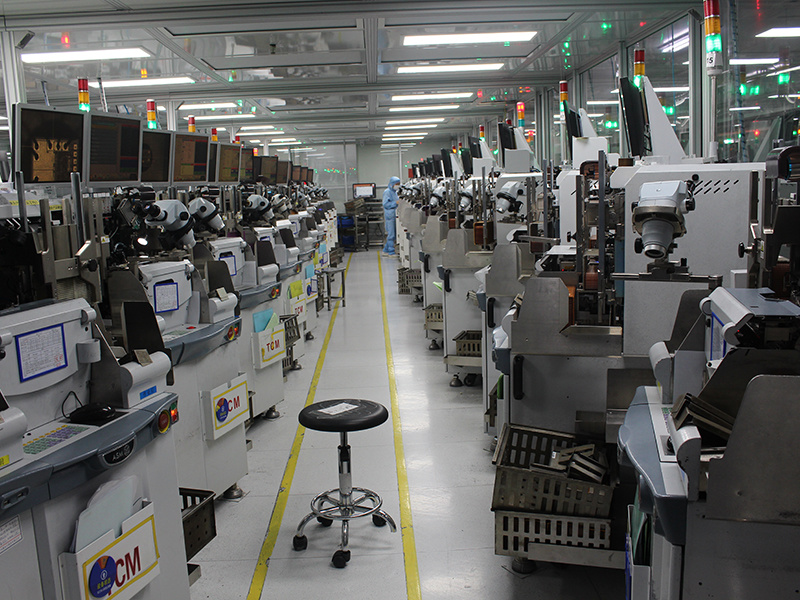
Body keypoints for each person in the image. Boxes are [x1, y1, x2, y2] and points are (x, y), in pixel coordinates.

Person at [382, 176, 401, 256]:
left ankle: (386, 250)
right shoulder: (387, 192)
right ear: (392, 184)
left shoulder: (394, 192)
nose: (398, 185)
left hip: (394, 215)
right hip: (390, 216)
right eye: (397, 184)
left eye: (399, 184)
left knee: (393, 234)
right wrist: (395, 203)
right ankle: (391, 251)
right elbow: (385, 204)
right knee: (391, 234)